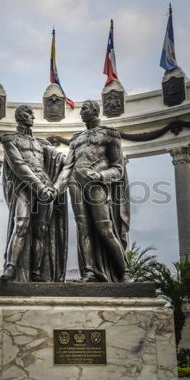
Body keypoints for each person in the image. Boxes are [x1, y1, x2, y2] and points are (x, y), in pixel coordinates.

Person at [54, 100, 130, 282]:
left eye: (85, 109)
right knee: (83, 229)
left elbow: (118, 169)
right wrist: (56, 188)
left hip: (96, 184)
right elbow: (68, 167)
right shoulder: (76, 139)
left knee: (105, 228)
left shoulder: (110, 134)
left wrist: (100, 176)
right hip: (75, 183)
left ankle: (125, 272)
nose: (81, 113)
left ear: (95, 110)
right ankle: (89, 272)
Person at [0, 105, 67, 282]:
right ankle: (10, 267)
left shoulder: (41, 143)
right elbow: (18, 165)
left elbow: (59, 159)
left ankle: (36, 272)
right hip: (25, 186)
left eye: (31, 114)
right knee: (21, 224)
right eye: (28, 114)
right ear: (19, 117)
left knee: (41, 230)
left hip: (45, 184)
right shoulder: (9, 139)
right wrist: (39, 187)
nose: (32, 117)